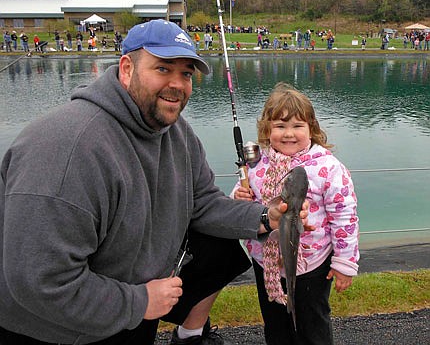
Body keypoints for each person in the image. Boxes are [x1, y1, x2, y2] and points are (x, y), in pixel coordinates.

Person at [0, 20, 310, 345]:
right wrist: (140, 301)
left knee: (219, 249)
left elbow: (202, 204)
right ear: (125, 69)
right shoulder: (68, 148)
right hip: (49, 328)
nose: (177, 84)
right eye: (163, 69)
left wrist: (265, 217)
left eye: (186, 73)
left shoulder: (175, 133)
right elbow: (40, 281)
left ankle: (186, 332)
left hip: (129, 308)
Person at [231, 83, 359, 345]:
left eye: (297, 126)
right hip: (265, 262)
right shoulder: (258, 163)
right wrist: (238, 195)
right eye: (280, 126)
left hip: (312, 265)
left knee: (313, 326)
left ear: (312, 128)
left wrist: (345, 262)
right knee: (276, 324)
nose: (288, 134)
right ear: (267, 130)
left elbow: (344, 217)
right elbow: (246, 197)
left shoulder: (329, 168)